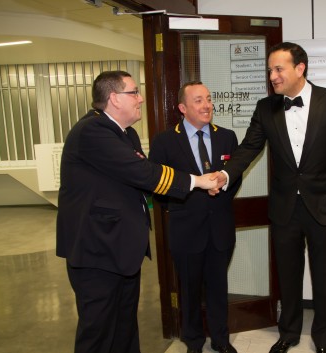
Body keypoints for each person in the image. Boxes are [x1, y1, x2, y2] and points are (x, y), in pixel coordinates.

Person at [210, 42, 326, 353]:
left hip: (324, 206)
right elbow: (248, 148)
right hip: (284, 209)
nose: (272, 76)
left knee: (323, 278)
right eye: (270, 70)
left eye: (278, 69)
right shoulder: (266, 108)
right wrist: (226, 175)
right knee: (288, 277)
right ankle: (289, 333)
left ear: (299, 68)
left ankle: (323, 337)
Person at [56, 71, 218, 353]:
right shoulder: (92, 132)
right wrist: (198, 180)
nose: (141, 98)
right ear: (115, 99)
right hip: (96, 252)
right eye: (134, 92)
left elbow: (137, 177)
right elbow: (142, 172)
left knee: (124, 327)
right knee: (98, 332)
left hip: (119, 249)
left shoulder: (125, 133)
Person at [149, 81, 242, 353]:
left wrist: (220, 187)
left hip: (220, 228)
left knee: (218, 286)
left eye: (209, 99)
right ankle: (193, 341)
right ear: (182, 108)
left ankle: (221, 340)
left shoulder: (227, 137)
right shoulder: (165, 141)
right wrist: (190, 197)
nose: (207, 105)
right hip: (186, 229)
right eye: (199, 100)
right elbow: (158, 186)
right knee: (189, 291)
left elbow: (234, 178)